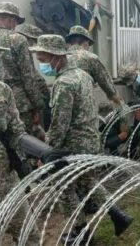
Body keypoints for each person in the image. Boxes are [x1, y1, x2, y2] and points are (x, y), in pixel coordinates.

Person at [30, 34, 132, 244]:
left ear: (56, 57)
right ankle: (118, 214)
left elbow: (60, 124)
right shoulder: (82, 75)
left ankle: (81, 232)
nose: (41, 65)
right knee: (88, 182)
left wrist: (47, 153)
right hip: (90, 141)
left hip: (72, 147)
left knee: (65, 187)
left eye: (42, 60)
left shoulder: (64, 83)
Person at [0, 26, 67, 245]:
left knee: (30, 236)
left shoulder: (1, 91)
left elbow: (15, 132)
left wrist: (44, 151)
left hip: (8, 182)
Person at [0, 2, 46, 133]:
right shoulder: (17, 39)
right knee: (22, 144)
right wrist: (37, 105)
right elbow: (28, 76)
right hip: (19, 104)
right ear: (12, 19)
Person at [15, 23, 51, 137]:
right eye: (32, 41)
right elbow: (31, 79)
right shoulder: (21, 48)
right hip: (24, 105)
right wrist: (40, 104)